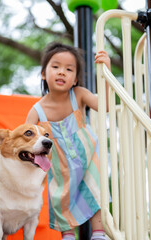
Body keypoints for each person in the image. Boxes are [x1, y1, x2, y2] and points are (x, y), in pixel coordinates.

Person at [25, 42, 111, 240]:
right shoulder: (37, 110)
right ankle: (68, 236)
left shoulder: (79, 95)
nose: (62, 72)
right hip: (59, 166)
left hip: (88, 157)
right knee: (61, 197)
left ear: (75, 79)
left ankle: (98, 234)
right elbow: (26, 136)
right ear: (44, 74)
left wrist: (106, 73)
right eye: (56, 67)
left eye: (69, 69)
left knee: (94, 189)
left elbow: (104, 106)